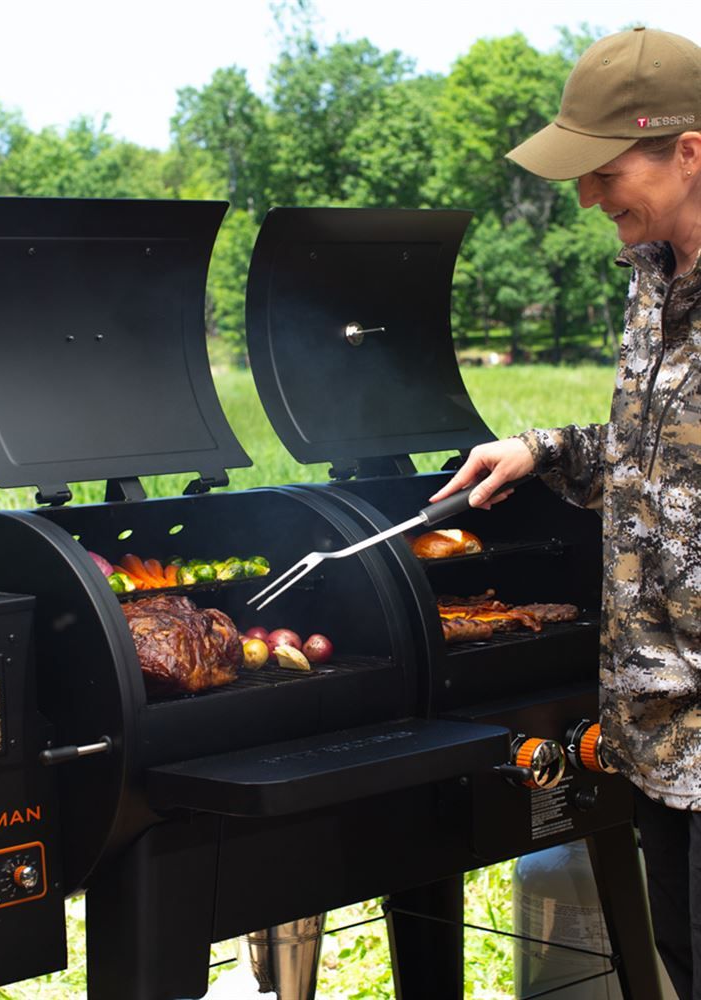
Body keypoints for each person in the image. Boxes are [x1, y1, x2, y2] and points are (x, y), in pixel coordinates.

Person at [430, 26, 701, 1000]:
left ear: (688, 151)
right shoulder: (654, 284)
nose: (586, 196)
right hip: (662, 738)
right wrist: (547, 451)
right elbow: (662, 452)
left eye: (601, 167)